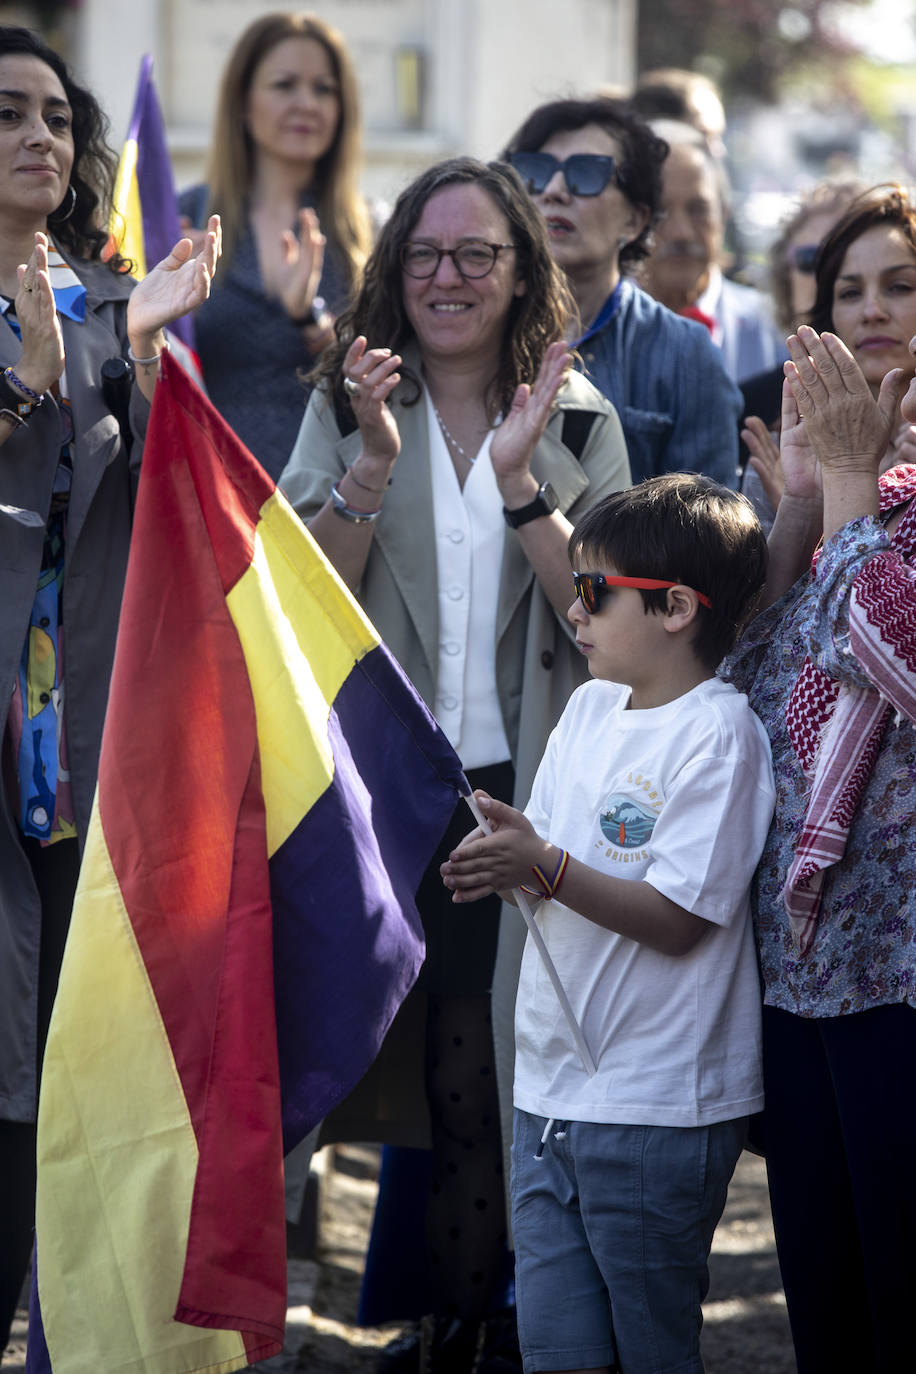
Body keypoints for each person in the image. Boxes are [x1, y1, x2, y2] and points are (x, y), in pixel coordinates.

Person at [280, 155, 630, 1372]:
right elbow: (296, 597)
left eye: (477, 254)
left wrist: (525, 482)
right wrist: (370, 466)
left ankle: (483, 1330)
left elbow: (612, 616)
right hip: (383, 796)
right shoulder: (348, 400)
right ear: (394, 268)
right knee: (412, 1077)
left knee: (487, 1073)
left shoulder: (576, 414)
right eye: (425, 254)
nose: (448, 278)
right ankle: (449, 1322)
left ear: (521, 271)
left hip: (521, 797)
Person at [441, 473, 775, 1374]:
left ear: (677, 608)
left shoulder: (721, 736)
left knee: (652, 1353)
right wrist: (505, 862)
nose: (574, 608)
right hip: (548, 1094)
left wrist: (541, 865)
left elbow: (677, 922)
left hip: (659, 1105)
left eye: (595, 590)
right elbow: (551, 868)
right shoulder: (587, 707)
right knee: (559, 1354)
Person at [0, 24, 220, 1355]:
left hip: (81, 748)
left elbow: (163, 518)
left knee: (53, 1074)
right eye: (7, 113)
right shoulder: (47, 333)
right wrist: (25, 386)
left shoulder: (109, 301)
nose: (40, 136)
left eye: (56, 116)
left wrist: (135, 358)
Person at [723, 306, 916, 1370]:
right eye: (856, 293)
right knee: (830, 1303)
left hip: (900, 975)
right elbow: (742, 679)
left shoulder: (873, 500)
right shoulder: (875, 496)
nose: (877, 319)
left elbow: (893, 650)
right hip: (808, 969)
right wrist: (803, 498)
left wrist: (844, 484)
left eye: (902, 287)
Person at [502, 96, 742, 486]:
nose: (555, 191)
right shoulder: (482, 329)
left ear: (635, 220)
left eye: (586, 174)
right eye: (536, 172)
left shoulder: (685, 355)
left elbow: (708, 520)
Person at [179, 10, 372, 479]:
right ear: (242, 103)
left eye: (324, 89)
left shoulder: (369, 231)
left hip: (330, 496)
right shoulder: (184, 219)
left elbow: (390, 381)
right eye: (285, 85)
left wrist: (310, 320)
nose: (307, 103)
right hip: (211, 490)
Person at [744, 184, 916, 515]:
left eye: (899, 287)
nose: (872, 311)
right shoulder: (789, 448)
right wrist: (798, 511)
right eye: (850, 293)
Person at [641, 119, 786, 385]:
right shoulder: (595, 330)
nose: (681, 232)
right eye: (660, 212)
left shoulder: (775, 330)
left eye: (698, 209)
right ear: (631, 219)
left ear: (724, 213)